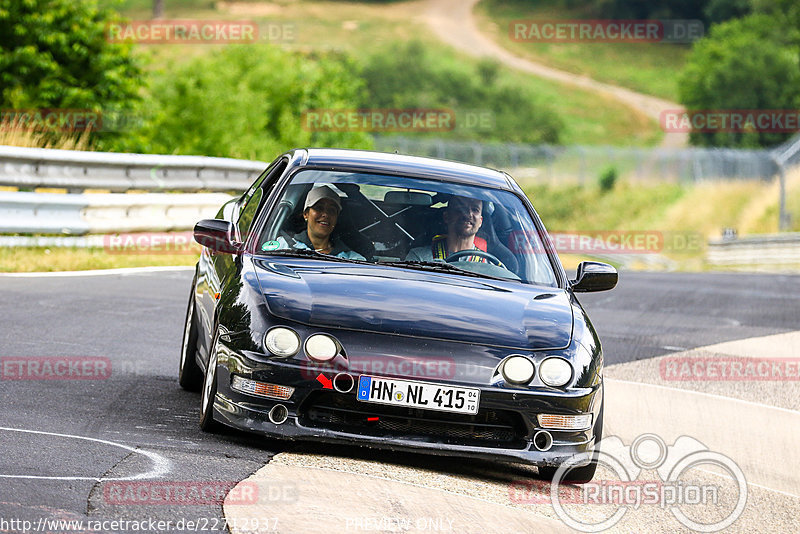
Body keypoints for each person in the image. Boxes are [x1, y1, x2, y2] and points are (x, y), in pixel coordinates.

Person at [274, 185, 365, 260]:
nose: (325, 214)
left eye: (332, 210)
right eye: (319, 208)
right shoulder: (283, 247)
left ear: (336, 218)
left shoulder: (353, 259)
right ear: (306, 214)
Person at [405, 195, 493, 263]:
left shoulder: (488, 265)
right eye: (461, 209)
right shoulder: (418, 259)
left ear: (480, 221)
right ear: (446, 217)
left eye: (475, 209)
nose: (468, 214)